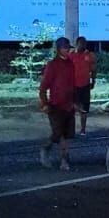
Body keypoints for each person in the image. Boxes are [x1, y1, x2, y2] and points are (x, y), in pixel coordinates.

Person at [39, 36, 76, 170]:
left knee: (65, 135)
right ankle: (55, 155)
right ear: (59, 49)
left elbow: (73, 85)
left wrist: (75, 101)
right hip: (55, 105)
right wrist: (44, 103)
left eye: (68, 48)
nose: (68, 50)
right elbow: (44, 86)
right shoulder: (52, 65)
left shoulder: (71, 64)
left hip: (69, 105)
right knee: (58, 134)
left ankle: (62, 158)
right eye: (66, 48)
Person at [72, 36, 97, 134]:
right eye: (80, 43)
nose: (82, 45)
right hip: (73, 86)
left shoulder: (90, 55)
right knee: (72, 108)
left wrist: (93, 81)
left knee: (84, 109)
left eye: (84, 43)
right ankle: (71, 130)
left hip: (85, 85)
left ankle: (83, 130)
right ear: (76, 44)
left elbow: (94, 69)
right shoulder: (71, 55)